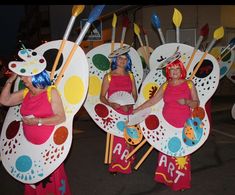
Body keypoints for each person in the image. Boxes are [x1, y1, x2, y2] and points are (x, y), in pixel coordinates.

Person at [0, 53, 71, 194]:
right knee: (34, 182)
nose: (23, 78)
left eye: (26, 75)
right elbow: (4, 101)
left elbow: (60, 117)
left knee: (50, 184)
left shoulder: (51, 92)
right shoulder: (25, 93)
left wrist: (37, 121)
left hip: (47, 148)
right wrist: (10, 80)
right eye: (22, 75)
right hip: (29, 148)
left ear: (37, 75)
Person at [133, 58, 199, 191]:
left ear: (181, 70)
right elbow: (152, 101)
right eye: (172, 69)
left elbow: (196, 103)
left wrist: (187, 101)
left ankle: (180, 182)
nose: (174, 71)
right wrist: (137, 109)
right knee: (165, 150)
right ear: (168, 71)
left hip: (183, 124)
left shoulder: (189, 84)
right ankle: (164, 176)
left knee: (180, 153)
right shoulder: (165, 85)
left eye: (177, 68)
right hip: (166, 123)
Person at [100, 46, 138, 174]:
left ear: (128, 61)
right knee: (117, 139)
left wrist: (131, 104)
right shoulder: (108, 76)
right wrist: (112, 104)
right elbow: (102, 97)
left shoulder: (130, 75)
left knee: (127, 138)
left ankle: (127, 161)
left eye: (125, 58)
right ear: (115, 60)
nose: (122, 60)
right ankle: (116, 165)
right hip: (115, 112)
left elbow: (134, 94)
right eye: (119, 58)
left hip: (128, 111)